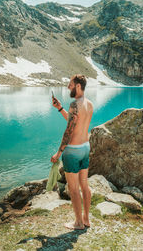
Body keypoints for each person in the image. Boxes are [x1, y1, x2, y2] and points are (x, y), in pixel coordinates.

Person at [51, 74, 93, 230]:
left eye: (70, 84)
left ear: (78, 86)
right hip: (85, 147)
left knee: (73, 188)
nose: (68, 87)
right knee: (84, 185)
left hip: (73, 151)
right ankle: (86, 219)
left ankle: (78, 223)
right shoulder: (89, 104)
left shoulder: (75, 104)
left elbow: (68, 131)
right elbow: (75, 122)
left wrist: (58, 153)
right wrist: (60, 108)